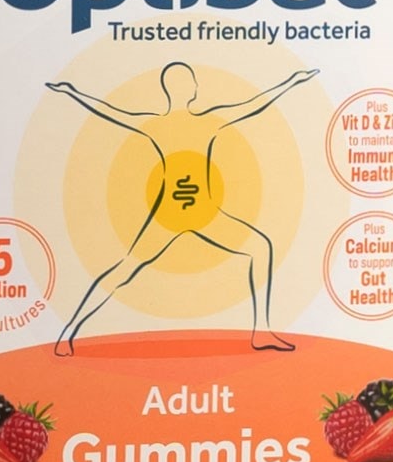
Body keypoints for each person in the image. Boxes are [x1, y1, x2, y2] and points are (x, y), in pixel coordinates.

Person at [46, 61, 316, 354]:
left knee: (123, 272)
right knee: (258, 248)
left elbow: (110, 113)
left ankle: (68, 334)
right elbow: (255, 104)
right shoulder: (207, 120)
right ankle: (69, 333)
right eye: (189, 83)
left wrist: (72, 92)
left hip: (185, 215)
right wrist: (291, 82)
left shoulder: (157, 123)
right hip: (188, 215)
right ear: (192, 90)